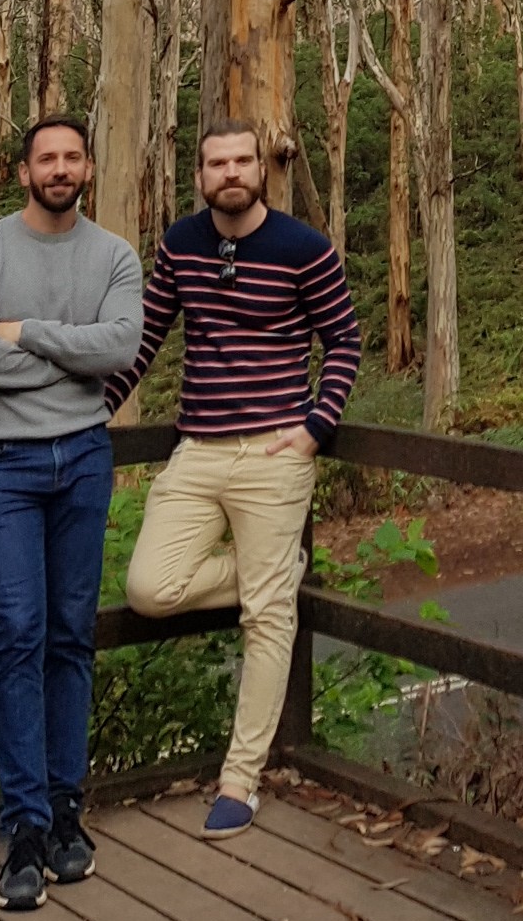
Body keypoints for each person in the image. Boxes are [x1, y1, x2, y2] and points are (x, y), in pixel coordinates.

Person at [104, 118, 363, 837]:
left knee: (267, 620)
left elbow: (343, 339)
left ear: (263, 168)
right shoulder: (182, 245)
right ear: (200, 176)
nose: (230, 174)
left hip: (273, 454)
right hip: (198, 450)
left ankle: (240, 779)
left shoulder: (305, 250)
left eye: (242, 161)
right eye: (217, 163)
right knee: (151, 588)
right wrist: (88, 408)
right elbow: (146, 337)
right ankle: (276, 570)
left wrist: (316, 427)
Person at [0, 114, 142, 913]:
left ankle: (66, 810)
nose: (60, 168)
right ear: (22, 172)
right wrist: (71, 357)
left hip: (84, 463)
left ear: (88, 166)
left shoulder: (114, 256)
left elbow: (121, 348)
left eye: (72, 156)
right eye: (45, 158)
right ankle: (23, 824)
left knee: (70, 633)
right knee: (17, 634)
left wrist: (28, 335)